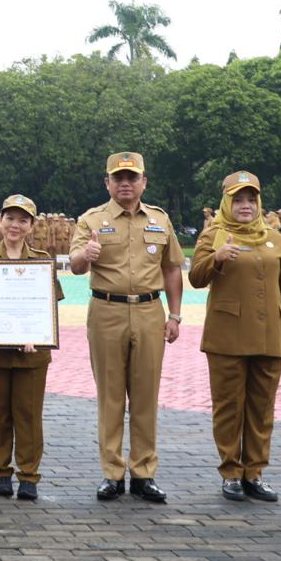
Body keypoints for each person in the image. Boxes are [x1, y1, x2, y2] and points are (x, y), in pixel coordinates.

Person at [69, 151, 183, 503]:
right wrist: (84, 257)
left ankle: (144, 473)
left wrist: (175, 315)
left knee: (146, 396)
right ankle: (112, 473)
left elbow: (172, 269)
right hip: (106, 311)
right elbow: (74, 266)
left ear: (143, 182)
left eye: (132, 177)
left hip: (150, 312)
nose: (125, 183)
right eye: (117, 178)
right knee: (110, 396)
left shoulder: (160, 221)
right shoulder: (91, 220)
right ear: (107, 183)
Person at [189, 171, 281, 501]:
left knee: (262, 408)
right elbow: (196, 278)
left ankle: (254, 472)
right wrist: (217, 258)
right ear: (226, 201)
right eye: (238, 199)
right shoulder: (214, 234)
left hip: (270, 335)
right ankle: (231, 472)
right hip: (227, 336)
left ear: (259, 202)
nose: (245, 205)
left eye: (251, 199)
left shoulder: (274, 238)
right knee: (229, 407)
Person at [0, 194, 63, 501]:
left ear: (32, 225)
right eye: (10, 218)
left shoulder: (41, 259)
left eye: (23, 220)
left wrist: (38, 332)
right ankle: (2, 472)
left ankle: (29, 475)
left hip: (31, 351)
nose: (15, 225)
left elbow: (49, 305)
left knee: (29, 414)